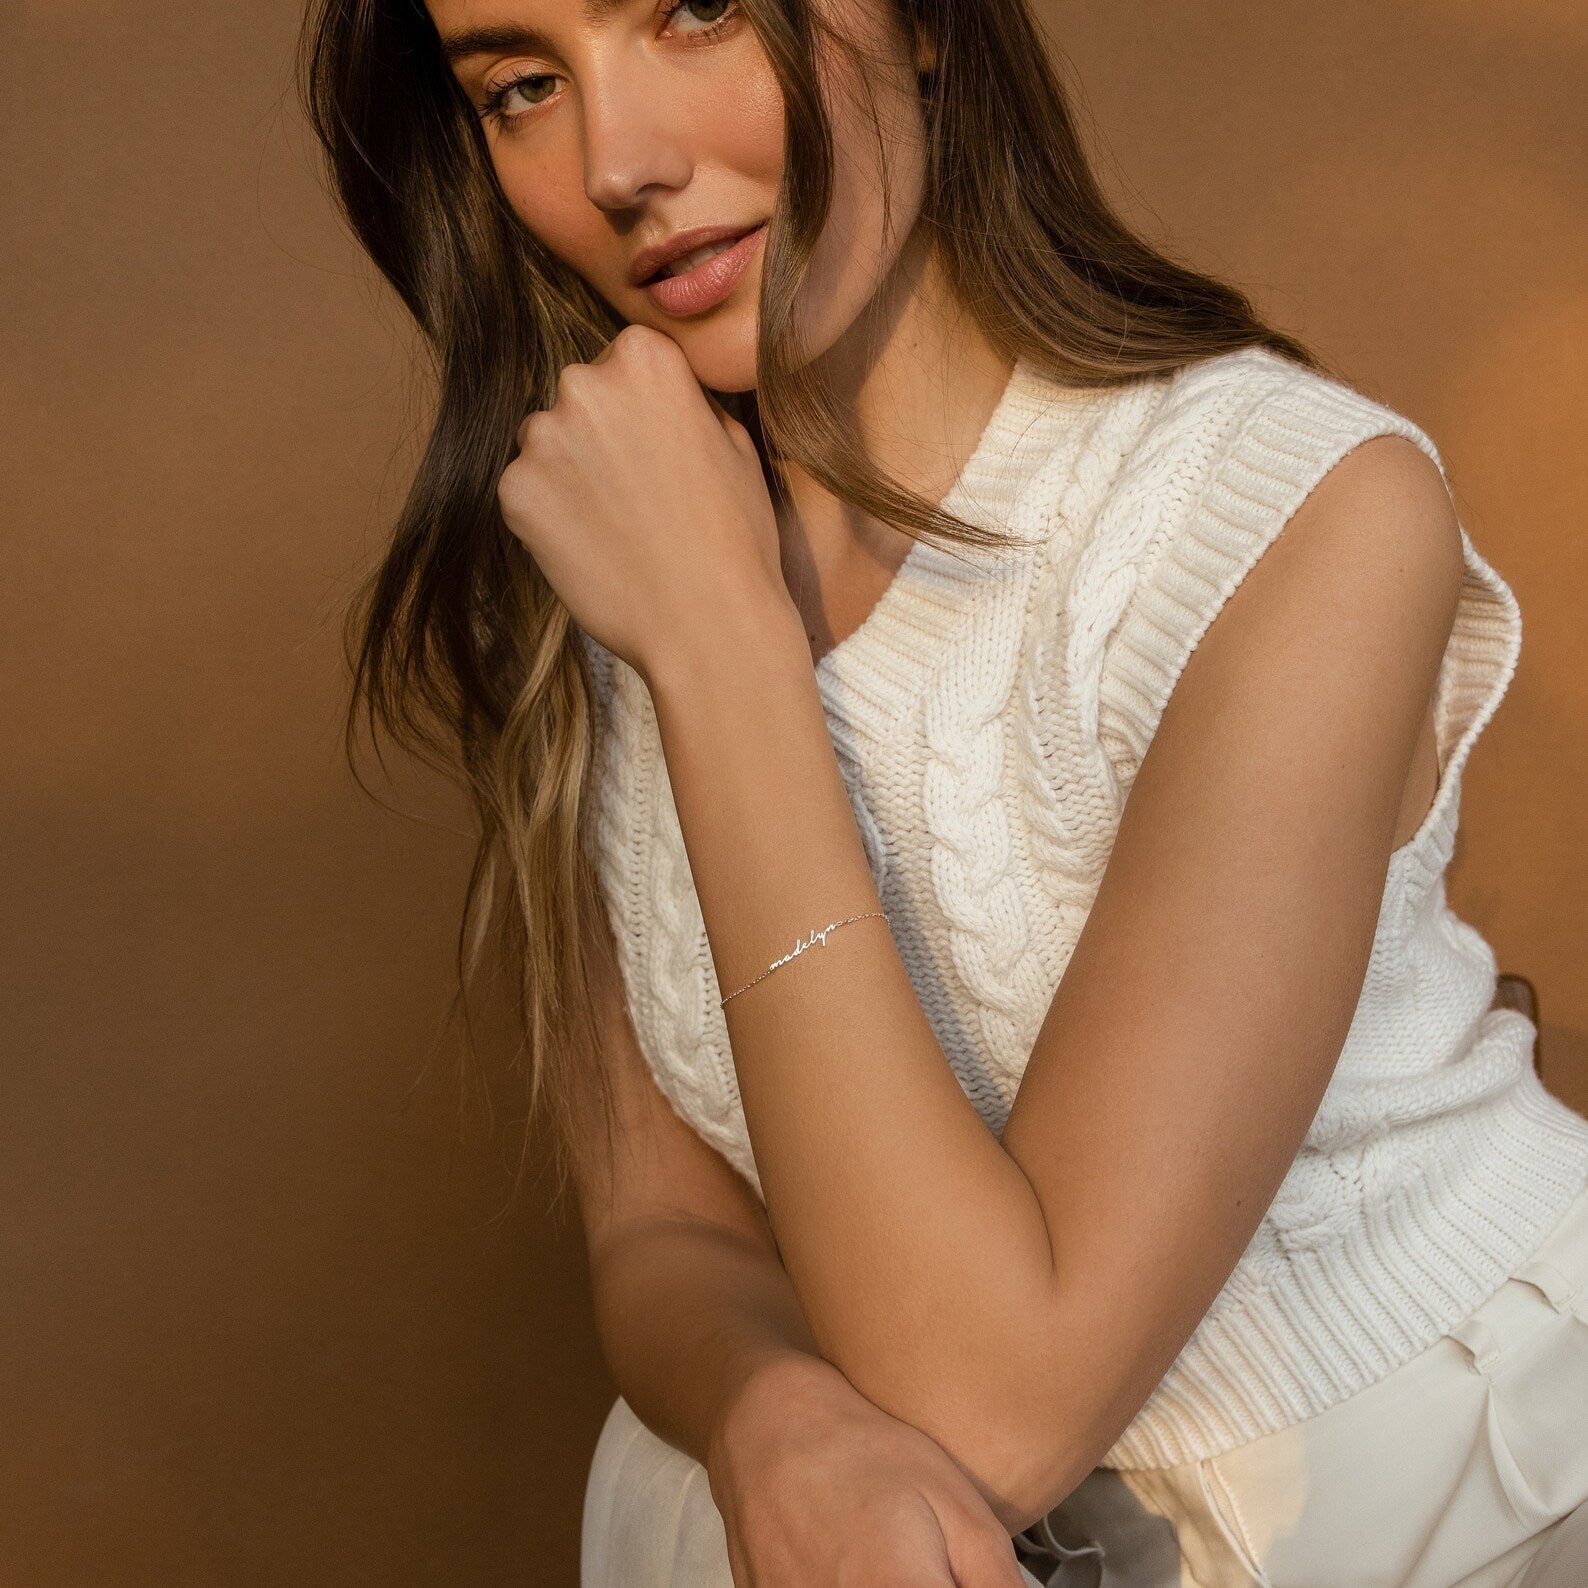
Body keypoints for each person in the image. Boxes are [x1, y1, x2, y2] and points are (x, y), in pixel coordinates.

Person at [296, 0, 1588, 1582]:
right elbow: (663, 1224)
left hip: (1457, 1504)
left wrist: (722, 650)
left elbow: (995, 1404)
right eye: (520, 85)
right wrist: (773, 1416)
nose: (615, 162)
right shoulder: (612, 537)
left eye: (694, 10)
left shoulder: (1290, 511)